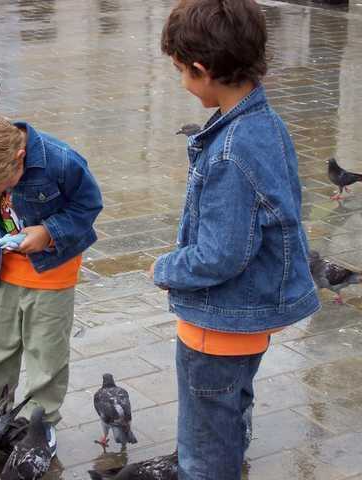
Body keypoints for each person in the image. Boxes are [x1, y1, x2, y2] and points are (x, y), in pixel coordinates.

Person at [149, 1, 320, 478]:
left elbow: (220, 254)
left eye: (181, 70)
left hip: (217, 326)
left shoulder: (230, 151)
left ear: (202, 71)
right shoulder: (265, 124)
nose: (181, 80)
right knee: (231, 418)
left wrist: (165, 268)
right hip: (247, 323)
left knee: (202, 452)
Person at [0, 111, 103, 456]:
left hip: (51, 271)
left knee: (45, 352)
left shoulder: (61, 162)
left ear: (19, 160)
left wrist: (49, 232)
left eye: (4, 188)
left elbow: (89, 205)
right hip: (2, 268)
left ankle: (40, 424)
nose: (3, 194)